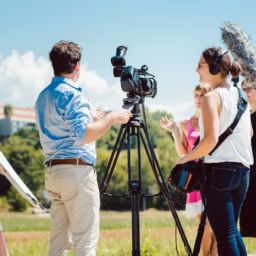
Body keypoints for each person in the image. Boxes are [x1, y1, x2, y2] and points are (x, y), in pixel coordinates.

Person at [35, 40, 132, 256]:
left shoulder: (43, 96)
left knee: (58, 244)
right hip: (76, 172)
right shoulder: (73, 94)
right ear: (77, 65)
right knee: (84, 244)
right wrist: (112, 117)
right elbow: (84, 135)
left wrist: (89, 115)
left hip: (54, 172)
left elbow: (63, 126)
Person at [175, 47, 253, 256]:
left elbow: (210, 140)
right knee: (232, 232)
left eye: (200, 65)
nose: (197, 70)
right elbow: (250, 132)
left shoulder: (212, 97)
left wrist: (184, 158)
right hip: (243, 172)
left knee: (225, 235)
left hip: (219, 172)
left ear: (214, 67)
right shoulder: (241, 96)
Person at [160, 84, 217, 256]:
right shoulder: (187, 123)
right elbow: (184, 153)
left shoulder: (214, 119)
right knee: (204, 224)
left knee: (216, 225)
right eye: (196, 95)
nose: (199, 99)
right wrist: (175, 132)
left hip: (214, 174)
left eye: (202, 95)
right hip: (196, 179)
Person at [239, 80, 256, 238]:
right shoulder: (244, 117)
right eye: (243, 89)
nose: (246, 92)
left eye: (249, 88)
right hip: (250, 176)